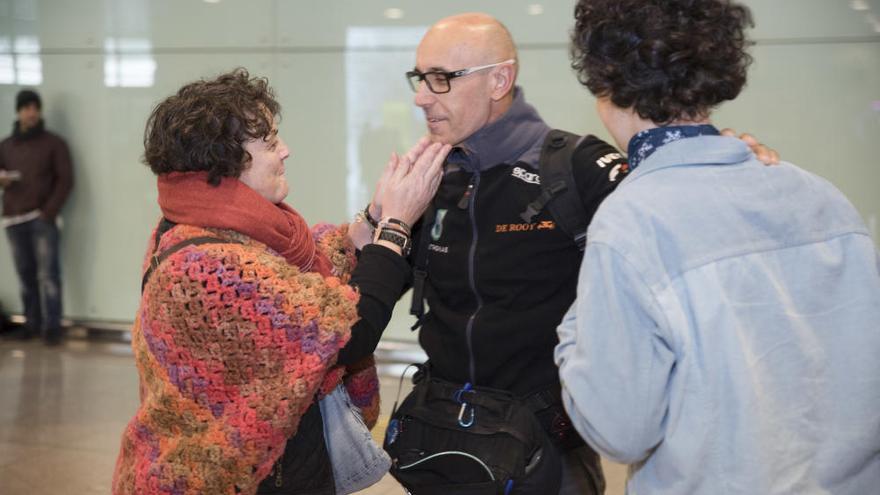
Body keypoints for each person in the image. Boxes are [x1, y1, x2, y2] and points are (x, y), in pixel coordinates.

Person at [369, 13, 778, 494]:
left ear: (499, 80)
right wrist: (379, 219)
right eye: (420, 78)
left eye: (441, 79)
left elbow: (685, 234)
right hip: (437, 449)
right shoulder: (430, 177)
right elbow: (365, 296)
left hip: (548, 459)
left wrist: (727, 171)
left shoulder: (577, 167)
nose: (421, 96)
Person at [555, 1, 880, 493]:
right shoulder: (821, 196)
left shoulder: (631, 221)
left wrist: (573, 328)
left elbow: (619, 430)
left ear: (605, 84)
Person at [112, 68, 450, 495]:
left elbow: (289, 282)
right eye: (270, 143)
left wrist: (372, 221)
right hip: (230, 479)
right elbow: (349, 332)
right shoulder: (201, 267)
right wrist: (396, 226)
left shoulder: (201, 224)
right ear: (223, 163)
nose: (286, 151)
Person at [0, 89, 73, 345]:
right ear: (18, 111)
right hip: (13, 220)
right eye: (26, 107)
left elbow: (66, 180)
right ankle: (31, 324)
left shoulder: (54, 143)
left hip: (42, 219)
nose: (31, 112)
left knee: (49, 276)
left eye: (35, 107)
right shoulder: (6, 145)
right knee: (25, 276)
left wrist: (48, 213)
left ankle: (52, 329)